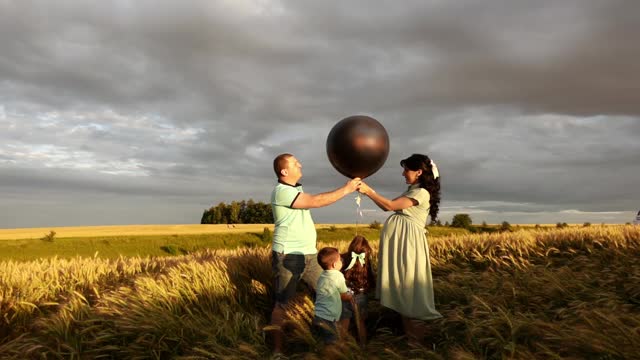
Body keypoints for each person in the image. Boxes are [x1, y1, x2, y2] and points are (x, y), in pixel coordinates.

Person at [269, 153, 361, 356]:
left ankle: (338, 345)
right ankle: (277, 352)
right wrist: (347, 189)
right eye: (295, 163)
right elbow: (316, 201)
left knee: (336, 295)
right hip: (288, 257)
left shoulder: (295, 188)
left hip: (310, 256)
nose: (300, 164)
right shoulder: (281, 191)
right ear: (284, 171)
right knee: (282, 304)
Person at [357, 153, 443, 346]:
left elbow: (389, 206)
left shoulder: (420, 193)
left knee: (410, 291)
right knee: (405, 293)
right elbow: (385, 205)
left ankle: (418, 345)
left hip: (409, 246)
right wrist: (365, 192)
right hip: (403, 245)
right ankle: (412, 343)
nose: (403, 174)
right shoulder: (413, 190)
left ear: (419, 172)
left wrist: (368, 191)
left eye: (406, 169)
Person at [312, 247, 353, 346]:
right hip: (329, 318)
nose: (341, 261)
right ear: (335, 264)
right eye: (340, 260)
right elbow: (344, 296)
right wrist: (351, 295)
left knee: (324, 342)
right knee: (332, 344)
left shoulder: (322, 275)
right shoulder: (338, 276)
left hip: (318, 315)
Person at [339, 235, 375, 345]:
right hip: (361, 294)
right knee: (361, 322)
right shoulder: (366, 262)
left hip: (346, 294)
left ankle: (340, 347)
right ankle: (363, 346)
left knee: (344, 321)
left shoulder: (343, 258)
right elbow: (371, 280)